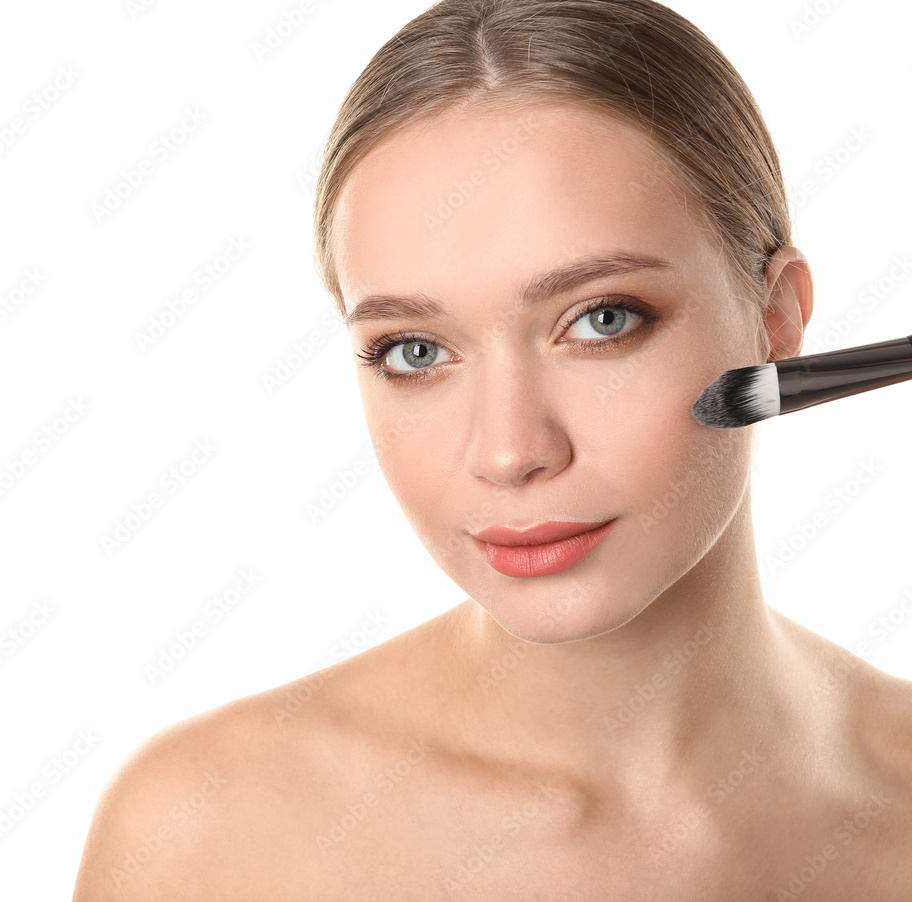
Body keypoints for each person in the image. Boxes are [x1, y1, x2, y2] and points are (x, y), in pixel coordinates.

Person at [71, 0, 912, 897]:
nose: (510, 452)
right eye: (416, 352)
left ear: (775, 316)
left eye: (602, 320)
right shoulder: (209, 836)